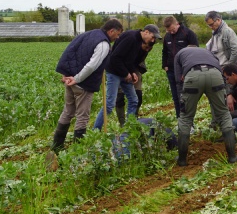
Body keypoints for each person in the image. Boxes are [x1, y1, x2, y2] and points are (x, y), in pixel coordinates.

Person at [51, 18, 123, 152]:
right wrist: (77, 79)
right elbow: (91, 66)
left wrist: (66, 74)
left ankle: (56, 147)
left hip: (70, 80)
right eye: (117, 34)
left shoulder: (88, 34)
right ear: (111, 30)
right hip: (82, 84)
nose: (117, 37)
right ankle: (79, 151)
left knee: (67, 112)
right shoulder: (104, 44)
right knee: (82, 116)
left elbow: (69, 51)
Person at [174, 46, 237, 166]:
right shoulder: (208, 52)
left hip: (193, 76)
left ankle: (182, 160)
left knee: (186, 117)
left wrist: (182, 101)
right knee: (224, 114)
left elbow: (179, 79)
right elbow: (220, 70)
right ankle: (232, 157)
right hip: (215, 75)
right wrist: (227, 92)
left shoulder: (180, 53)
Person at [93, 24, 161, 130]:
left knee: (134, 100)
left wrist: (133, 72)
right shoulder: (131, 38)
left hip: (124, 72)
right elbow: (115, 57)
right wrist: (126, 74)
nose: (153, 40)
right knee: (110, 104)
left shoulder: (138, 40)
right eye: (153, 37)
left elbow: (129, 60)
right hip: (114, 72)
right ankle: (96, 130)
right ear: (146, 32)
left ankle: (129, 129)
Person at [205, 11, 237, 126]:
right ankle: (216, 122)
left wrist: (229, 68)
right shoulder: (215, 33)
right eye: (209, 25)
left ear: (218, 20)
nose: (211, 27)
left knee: (229, 97)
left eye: (212, 24)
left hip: (225, 70)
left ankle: (229, 124)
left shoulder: (227, 32)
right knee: (216, 97)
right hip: (216, 70)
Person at [162, 16, 199, 119]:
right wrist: (164, 65)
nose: (171, 32)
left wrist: (187, 70)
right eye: (169, 30)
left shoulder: (188, 33)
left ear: (176, 24)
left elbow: (195, 51)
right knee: (175, 97)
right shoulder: (167, 36)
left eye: (172, 29)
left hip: (184, 71)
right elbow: (164, 52)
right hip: (171, 70)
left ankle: (188, 121)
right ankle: (180, 119)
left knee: (185, 97)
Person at [115, 41, 154, 126]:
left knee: (138, 96)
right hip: (121, 70)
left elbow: (138, 62)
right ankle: (122, 124)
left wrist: (133, 72)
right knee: (119, 98)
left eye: (149, 48)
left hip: (136, 69)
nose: (147, 49)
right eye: (146, 47)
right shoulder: (130, 44)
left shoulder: (147, 49)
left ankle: (133, 121)